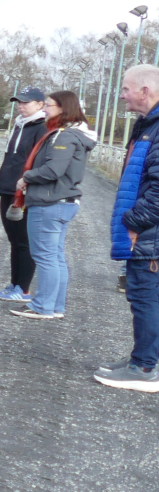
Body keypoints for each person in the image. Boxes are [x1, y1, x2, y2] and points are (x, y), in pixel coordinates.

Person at [97, 65, 159, 391]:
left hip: (151, 235)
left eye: (125, 88)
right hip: (148, 233)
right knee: (142, 295)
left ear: (144, 91)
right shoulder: (147, 125)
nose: (121, 95)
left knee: (145, 297)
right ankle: (143, 357)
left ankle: (145, 367)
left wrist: (133, 222)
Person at [9, 90, 94, 321]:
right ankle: (55, 305)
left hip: (49, 202)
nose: (45, 110)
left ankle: (43, 306)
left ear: (63, 109)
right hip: (62, 202)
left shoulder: (63, 136)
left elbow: (53, 170)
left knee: (45, 256)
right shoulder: (72, 135)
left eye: (48, 106)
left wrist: (26, 177)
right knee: (55, 256)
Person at [0, 87, 49, 303]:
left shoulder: (42, 128)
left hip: (24, 192)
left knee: (24, 241)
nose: (21, 106)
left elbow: (37, 163)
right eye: (19, 102)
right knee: (14, 241)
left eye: (26, 102)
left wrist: (25, 187)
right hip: (7, 190)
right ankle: (14, 285)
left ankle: (23, 289)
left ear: (40, 105)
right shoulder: (18, 125)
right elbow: (8, 161)